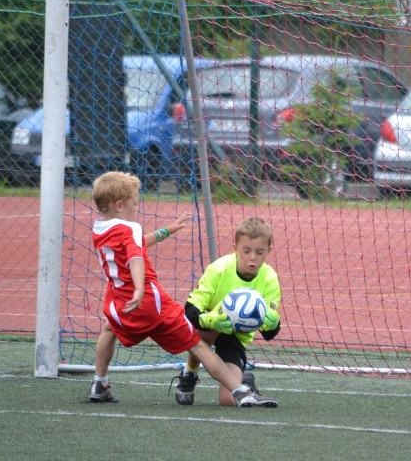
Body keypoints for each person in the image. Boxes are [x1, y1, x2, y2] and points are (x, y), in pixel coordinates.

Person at [87, 171, 277, 408]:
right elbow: (135, 255)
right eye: (135, 203)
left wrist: (167, 230)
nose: (137, 208)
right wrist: (138, 288)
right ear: (119, 205)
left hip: (118, 303)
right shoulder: (130, 228)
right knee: (197, 343)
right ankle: (240, 391)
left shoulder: (99, 230)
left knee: (108, 329)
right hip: (149, 302)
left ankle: (99, 382)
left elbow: (136, 244)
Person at [175, 216, 282, 407]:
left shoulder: (270, 278)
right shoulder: (218, 269)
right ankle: (190, 373)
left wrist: (273, 323)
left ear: (269, 251)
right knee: (202, 333)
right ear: (235, 247)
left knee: (228, 401)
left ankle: (245, 381)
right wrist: (210, 320)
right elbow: (190, 310)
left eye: (259, 252)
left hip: (236, 336)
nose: (252, 257)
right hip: (209, 327)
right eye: (246, 250)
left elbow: (269, 333)